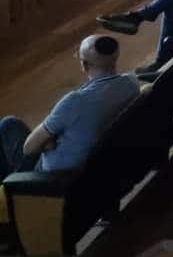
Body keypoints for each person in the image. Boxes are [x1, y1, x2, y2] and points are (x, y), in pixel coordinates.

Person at [0, 35, 139, 178]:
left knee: (8, 124)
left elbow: (28, 148)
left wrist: (47, 142)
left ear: (84, 65)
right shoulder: (131, 83)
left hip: (51, 179)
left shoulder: (75, 102)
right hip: (100, 167)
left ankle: (9, 189)